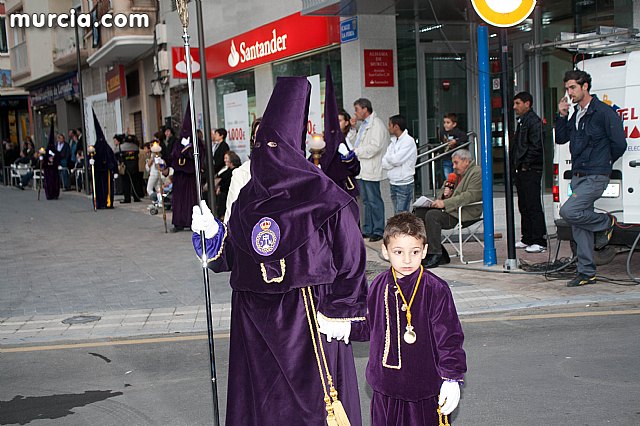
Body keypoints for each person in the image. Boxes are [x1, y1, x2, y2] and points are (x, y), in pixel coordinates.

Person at [191, 76, 367, 426]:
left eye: (275, 146)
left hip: (309, 321)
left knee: (313, 406)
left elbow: (352, 260)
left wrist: (341, 310)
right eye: (262, 146)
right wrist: (214, 236)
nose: (267, 154)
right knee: (264, 407)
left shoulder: (327, 199)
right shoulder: (247, 199)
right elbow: (230, 256)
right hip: (255, 325)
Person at [342, 212, 466, 425]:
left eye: (414, 251)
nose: (407, 259)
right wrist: (345, 328)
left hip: (424, 388)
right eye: (398, 252)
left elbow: (449, 338)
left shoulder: (435, 289)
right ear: (385, 251)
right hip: (385, 388)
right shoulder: (379, 284)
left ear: (424, 251)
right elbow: (371, 326)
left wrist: (451, 378)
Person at [556, 69, 627, 287]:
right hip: (578, 174)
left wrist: (603, 163)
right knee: (580, 225)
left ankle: (606, 222)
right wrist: (562, 115)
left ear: (585, 86)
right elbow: (560, 139)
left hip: (596, 174)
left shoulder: (604, 113)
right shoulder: (575, 113)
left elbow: (620, 144)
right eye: (567, 88)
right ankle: (587, 272)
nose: (569, 93)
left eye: (573, 88)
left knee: (569, 211)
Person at [414, 149, 482, 268]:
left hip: (464, 211)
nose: (453, 166)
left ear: (466, 161)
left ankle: (435, 254)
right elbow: (441, 190)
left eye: (456, 163)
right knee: (419, 212)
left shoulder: (476, 172)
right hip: (450, 209)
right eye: (453, 163)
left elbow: (470, 196)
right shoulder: (455, 175)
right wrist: (444, 195)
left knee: (432, 216)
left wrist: (445, 203)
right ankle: (434, 250)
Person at [316, 66, 360, 200]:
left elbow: (356, 169)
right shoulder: (321, 143)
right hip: (327, 193)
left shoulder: (344, 141)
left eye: (339, 121)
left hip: (344, 191)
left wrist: (347, 156)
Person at [512, 91, 547, 254]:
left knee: (533, 204)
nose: (515, 107)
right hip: (522, 169)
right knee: (524, 204)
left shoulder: (534, 122)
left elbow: (536, 146)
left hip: (531, 169)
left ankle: (539, 239)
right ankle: (527, 237)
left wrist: (526, 164)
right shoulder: (522, 122)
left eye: (518, 103)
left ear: (527, 104)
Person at [350, 98, 388, 242]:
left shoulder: (376, 124)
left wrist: (356, 151)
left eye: (357, 110)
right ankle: (367, 229)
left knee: (374, 200)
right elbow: (354, 142)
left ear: (365, 109)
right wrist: (353, 129)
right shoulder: (363, 125)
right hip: (362, 169)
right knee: (365, 201)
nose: (356, 113)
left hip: (371, 168)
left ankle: (378, 229)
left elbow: (375, 147)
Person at [166, 105, 203, 232]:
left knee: (190, 201)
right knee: (179, 201)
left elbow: (200, 157)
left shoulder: (197, 142)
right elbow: (173, 156)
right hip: (179, 176)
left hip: (190, 176)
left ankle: (192, 222)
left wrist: (188, 152)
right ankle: (178, 223)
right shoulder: (177, 142)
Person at [224, 117, 260, 223]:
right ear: (253, 139)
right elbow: (231, 215)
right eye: (258, 135)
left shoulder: (289, 173)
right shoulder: (241, 174)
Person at [382, 114, 417, 214]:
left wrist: (391, 159)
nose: (388, 127)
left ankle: (403, 230)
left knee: (401, 214)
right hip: (393, 181)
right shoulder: (393, 141)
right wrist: (392, 160)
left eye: (390, 125)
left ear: (396, 126)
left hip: (404, 183)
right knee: (397, 213)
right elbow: (384, 162)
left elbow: (396, 160)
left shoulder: (408, 141)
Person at [114, 134, 142, 203]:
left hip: (125, 168)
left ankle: (127, 198)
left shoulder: (120, 147)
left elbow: (116, 157)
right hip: (134, 167)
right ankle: (136, 197)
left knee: (126, 183)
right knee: (135, 182)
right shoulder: (135, 147)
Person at [441, 113, 468, 179]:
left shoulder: (457, 132)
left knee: (457, 176)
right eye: (444, 122)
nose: (445, 125)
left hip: (456, 159)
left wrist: (456, 141)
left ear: (454, 124)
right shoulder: (442, 132)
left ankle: (457, 188)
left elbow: (465, 137)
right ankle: (451, 189)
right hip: (446, 157)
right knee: (448, 177)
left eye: (448, 123)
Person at [215, 150, 240, 219]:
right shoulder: (227, 169)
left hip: (229, 191)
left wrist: (220, 188)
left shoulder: (236, 170)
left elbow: (228, 183)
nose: (225, 160)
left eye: (226, 158)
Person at [43, 126, 61, 200]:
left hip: (53, 169)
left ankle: (55, 194)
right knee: (49, 182)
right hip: (48, 169)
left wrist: (54, 162)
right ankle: (50, 194)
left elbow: (58, 159)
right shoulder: (46, 152)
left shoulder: (56, 152)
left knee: (55, 181)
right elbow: (44, 160)